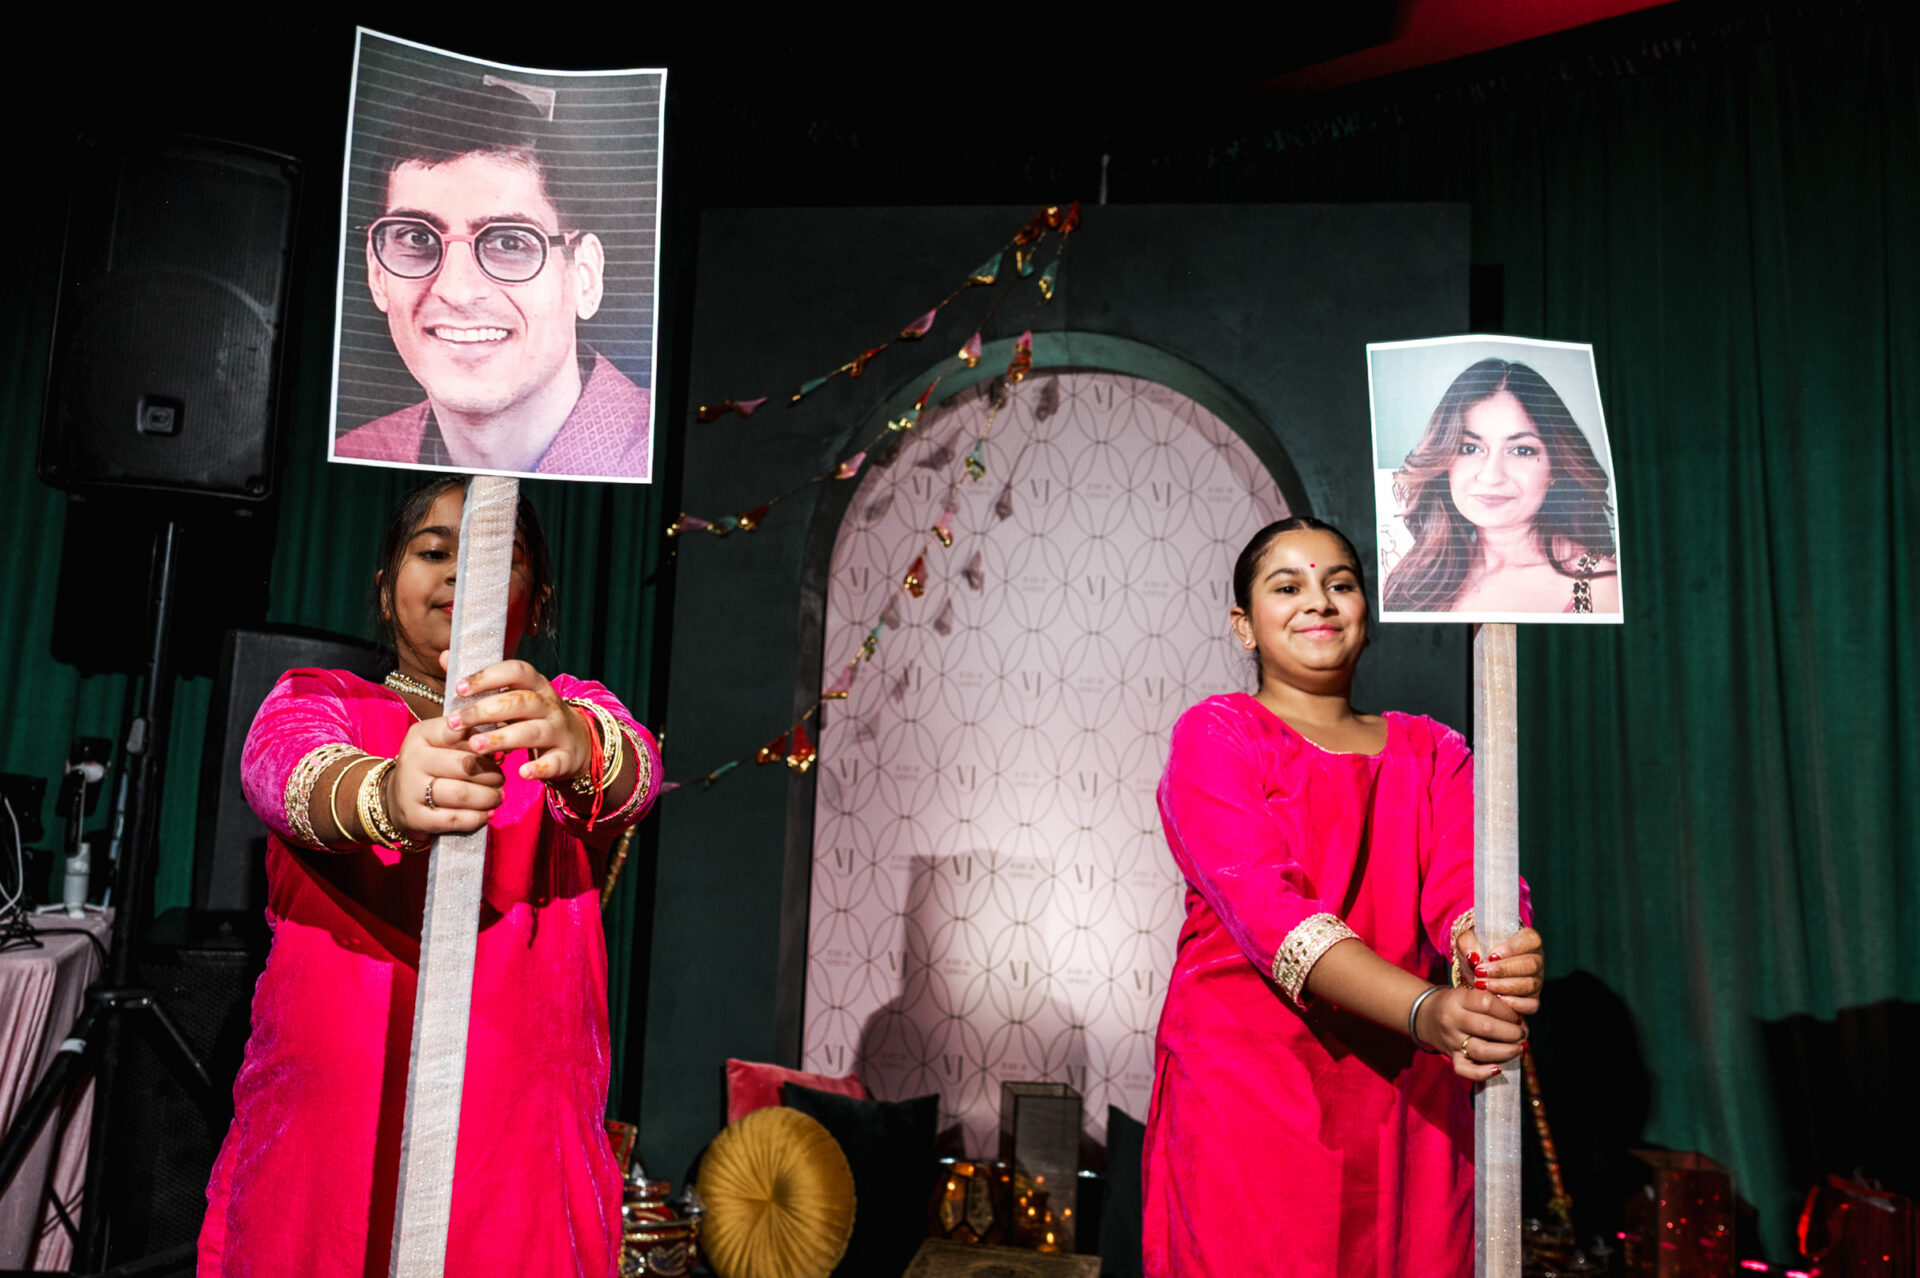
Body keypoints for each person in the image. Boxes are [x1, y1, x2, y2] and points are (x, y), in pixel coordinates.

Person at [197, 476, 660, 1277]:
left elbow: (635, 775)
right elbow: (281, 772)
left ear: (538, 600)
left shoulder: (561, 718)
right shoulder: (321, 703)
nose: (460, 574)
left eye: (495, 557)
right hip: (331, 1145)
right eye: (434, 552)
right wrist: (387, 794)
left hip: (515, 1153)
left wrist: (578, 745)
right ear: (386, 588)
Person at [1144, 517, 1545, 1278]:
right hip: (1253, 1094)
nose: (1318, 602)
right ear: (1244, 626)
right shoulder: (1217, 735)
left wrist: (1494, 958)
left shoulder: (1435, 751)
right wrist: (1428, 1010)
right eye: (1287, 586)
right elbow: (1267, 909)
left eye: (1340, 584)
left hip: (1411, 1100)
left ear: (1368, 612)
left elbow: (1474, 885)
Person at [335, 81, 652, 480]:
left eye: (509, 242)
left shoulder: (672, 453)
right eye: (417, 238)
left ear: (584, 278)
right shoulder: (356, 456)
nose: (457, 291)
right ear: (377, 273)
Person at [1382, 357, 1618, 614]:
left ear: (1556, 467)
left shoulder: (1604, 589)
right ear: (1444, 462)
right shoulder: (1414, 582)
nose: (1492, 475)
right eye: (1469, 448)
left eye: (1521, 450)